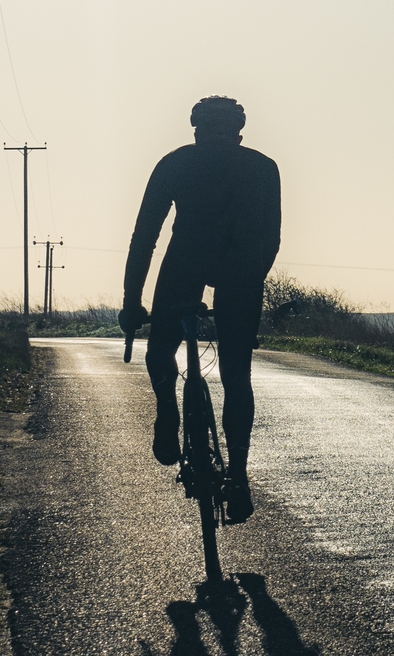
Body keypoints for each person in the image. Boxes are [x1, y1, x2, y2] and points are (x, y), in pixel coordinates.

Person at [118, 96, 281, 524]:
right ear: (240, 132)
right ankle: (239, 478)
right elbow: (271, 239)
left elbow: (144, 238)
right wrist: (247, 283)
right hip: (242, 268)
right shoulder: (264, 167)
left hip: (184, 264)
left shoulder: (176, 162)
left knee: (158, 352)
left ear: (196, 129)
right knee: (236, 376)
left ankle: (167, 411)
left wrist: (131, 302)